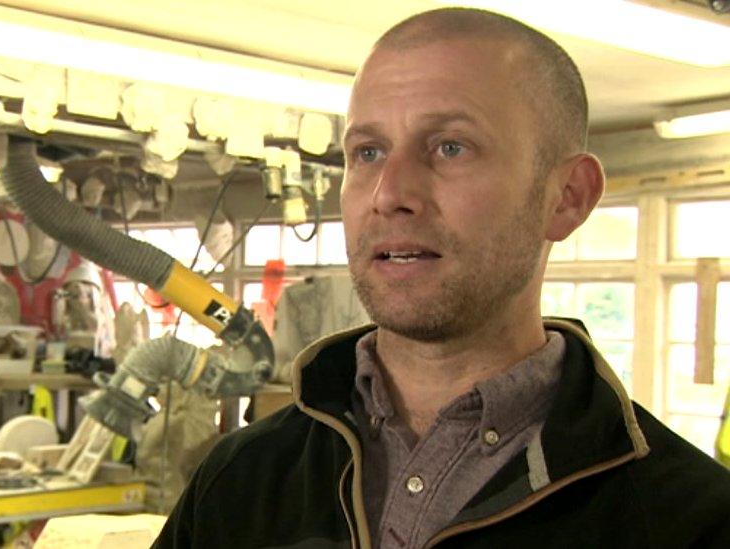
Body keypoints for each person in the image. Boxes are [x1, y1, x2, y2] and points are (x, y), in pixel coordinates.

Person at [153, 8, 730, 548]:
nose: (391, 195)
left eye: (451, 147)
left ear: (567, 198)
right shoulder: (238, 482)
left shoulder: (688, 517)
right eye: (369, 152)